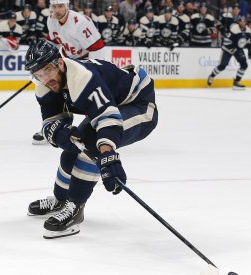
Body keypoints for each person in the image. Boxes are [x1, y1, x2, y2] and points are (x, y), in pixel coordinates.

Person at [25, 40, 158, 239]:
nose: (45, 79)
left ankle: (76, 208)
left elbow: (108, 118)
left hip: (139, 103)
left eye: (48, 70)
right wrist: (58, 133)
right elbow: (51, 121)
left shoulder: (82, 78)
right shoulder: (44, 87)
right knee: (72, 149)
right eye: (38, 75)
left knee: (93, 143)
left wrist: (108, 155)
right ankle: (60, 200)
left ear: (60, 63)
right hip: (112, 102)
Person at [31, 0, 104, 145]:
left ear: (67, 6)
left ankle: (101, 129)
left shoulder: (80, 23)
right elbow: (55, 44)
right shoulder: (51, 20)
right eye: (54, 7)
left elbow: (98, 49)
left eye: (60, 6)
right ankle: (53, 126)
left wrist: (93, 72)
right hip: (66, 61)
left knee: (86, 97)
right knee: (46, 89)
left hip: (85, 63)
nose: (57, 10)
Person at [207, 16, 251, 90]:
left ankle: (236, 82)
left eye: (244, 21)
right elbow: (226, 41)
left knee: (244, 65)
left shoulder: (248, 30)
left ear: (246, 22)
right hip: (227, 49)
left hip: (238, 49)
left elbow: (247, 41)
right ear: (238, 22)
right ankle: (212, 76)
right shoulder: (234, 29)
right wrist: (234, 49)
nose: (242, 22)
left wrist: (250, 49)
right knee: (223, 65)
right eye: (241, 21)